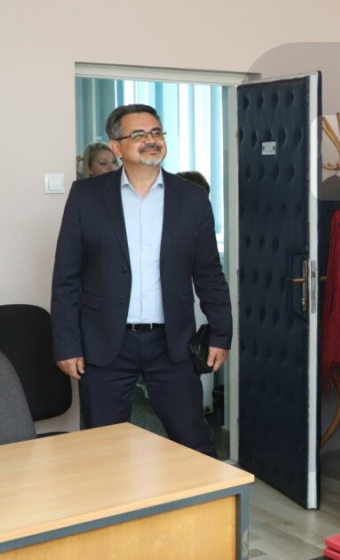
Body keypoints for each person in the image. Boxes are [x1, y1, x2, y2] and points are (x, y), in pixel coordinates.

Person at [51, 104, 232, 458]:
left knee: (194, 443)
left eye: (156, 132)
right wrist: (66, 344)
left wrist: (221, 334)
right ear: (116, 147)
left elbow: (209, 273)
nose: (151, 140)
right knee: (102, 449)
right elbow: (66, 276)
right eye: (139, 134)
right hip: (105, 343)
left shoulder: (191, 198)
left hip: (172, 343)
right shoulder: (86, 196)